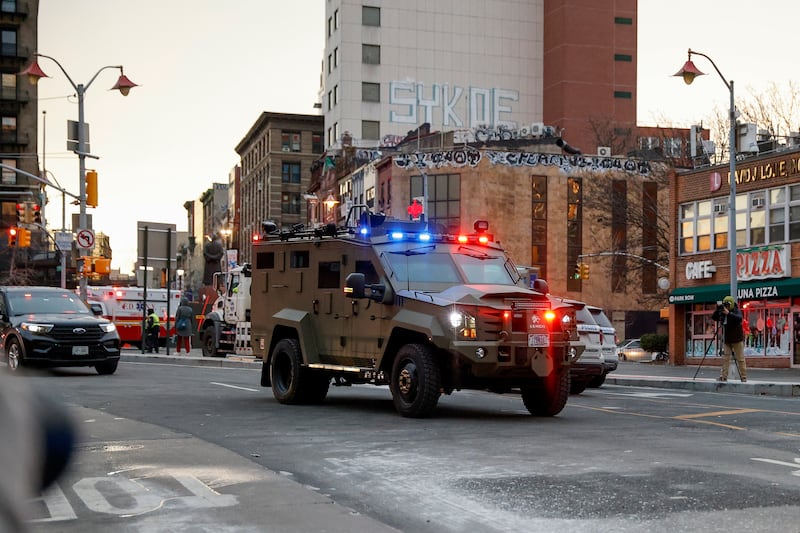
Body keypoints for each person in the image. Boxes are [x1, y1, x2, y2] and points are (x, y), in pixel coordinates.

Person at [712, 295, 747, 382]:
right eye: (725, 305)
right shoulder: (723, 312)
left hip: (737, 339)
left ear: (731, 304)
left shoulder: (736, 310)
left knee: (740, 359)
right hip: (727, 339)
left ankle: (743, 377)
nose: (726, 307)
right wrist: (718, 310)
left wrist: (728, 313)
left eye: (727, 304)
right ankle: (723, 376)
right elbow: (714, 317)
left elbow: (739, 319)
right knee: (725, 358)